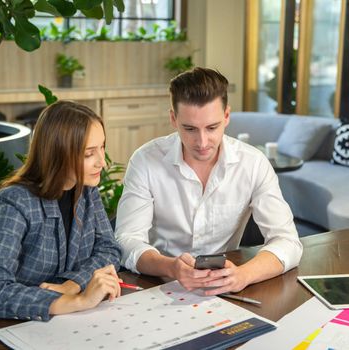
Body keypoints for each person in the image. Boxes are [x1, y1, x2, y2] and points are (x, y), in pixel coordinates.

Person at [115, 67, 303, 296]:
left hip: (225, 288)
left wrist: (244, 275)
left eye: (212, 127)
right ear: (173, 119)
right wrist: (170, 266)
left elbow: (288, 242)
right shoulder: (145, 160)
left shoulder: (253, 163)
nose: (202, 142)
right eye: (190, 128)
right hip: (155, 283)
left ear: (226, 116)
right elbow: (126, 240)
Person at [0, 101, 122, 321]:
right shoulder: (15, 201)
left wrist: (72, 285)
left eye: (102, 147)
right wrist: (79, 301)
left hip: (70, 323)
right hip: (17, 325)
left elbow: (109, 249)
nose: (102, 162)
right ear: (58, 153)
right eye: (89, 153)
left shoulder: (86, 191)